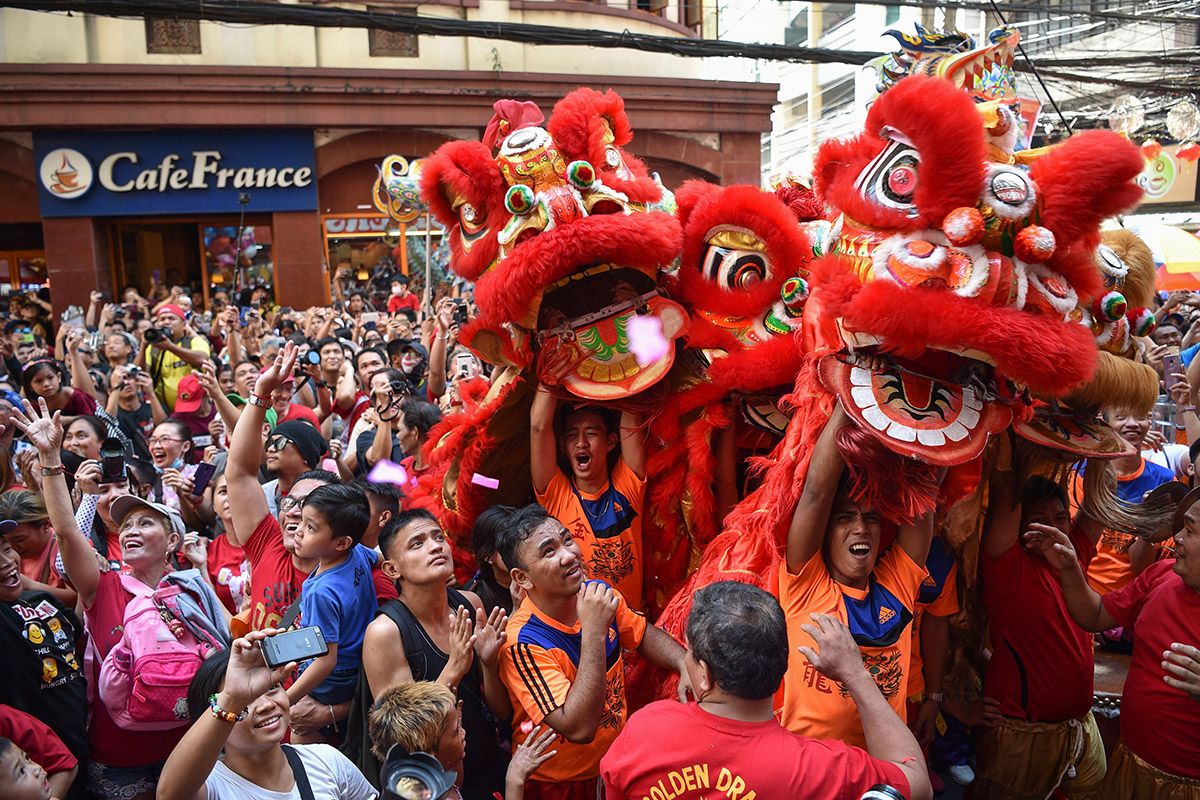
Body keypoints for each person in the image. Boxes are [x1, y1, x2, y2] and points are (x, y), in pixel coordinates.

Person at [13, 397, 228, 800]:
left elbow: (223, 657)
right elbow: (66, 533)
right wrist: (50, 460)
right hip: (118, 757)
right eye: (126, 523)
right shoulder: (102, 585)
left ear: (173, 543)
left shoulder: (193, 589)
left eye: (146, 522)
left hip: (189, 749)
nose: (131, 529)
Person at [600, 581, 931, 800]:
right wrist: (855, 674)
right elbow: (915, 781)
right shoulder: (816, 769)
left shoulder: (646, 728)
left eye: (688, 652)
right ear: (781, 667)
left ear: (704, 675)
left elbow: (608, 788)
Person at [496, 504, 689, 799]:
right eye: (549, 551)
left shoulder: (595, 591)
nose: (569, 555)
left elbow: (641, 633)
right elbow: (578, 728)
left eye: (567, 539)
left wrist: (683, 661)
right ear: (522, 578)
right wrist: (595, 631)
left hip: (614, 763)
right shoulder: (523, 642)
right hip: (560, 782)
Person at [1026, 486, 1200, 798]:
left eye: (1190, 530)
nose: (1179, 539)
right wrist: (1069, 567)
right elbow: (1094, 616)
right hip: (1130, 764)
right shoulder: (1161, 575)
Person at [779, 405, 936, 748]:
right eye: (844, 518)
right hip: (810, 772)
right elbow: (816, 493)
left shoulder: (898, 585)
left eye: (871, 518)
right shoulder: (805, 585)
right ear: (824, 531)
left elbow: (920, 496)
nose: (860, 528)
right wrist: (852, 393)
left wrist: (913, 406)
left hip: (879, 771)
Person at [971, 464, 1107, 800]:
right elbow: (1006, 497)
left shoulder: (1073, 554)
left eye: (1060, 518)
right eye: (1038, 519)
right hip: (1021, 733)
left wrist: (1099, 448)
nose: (1052, 527)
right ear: (1019, 525)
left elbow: (1101, 501)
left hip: (1080, 727)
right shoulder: (1007, 563)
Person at [362, 510, 511, 800]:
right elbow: (404, 742)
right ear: (392, 569)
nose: (435, 546)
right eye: (417, 543)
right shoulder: (385, 633)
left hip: (484, 763)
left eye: (438, 537)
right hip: (434, 786)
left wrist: (490, 664)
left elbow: (500, 711)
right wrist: (455, 666)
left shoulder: (469, 602)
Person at [157, 630, 376, 800]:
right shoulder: (212, 787)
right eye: (245, 701)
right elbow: (169, 794)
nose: (264, 706)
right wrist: (232, 696)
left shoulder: (326, 760)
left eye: (271, 688)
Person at [530, 387, 647, 610]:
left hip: (632, 633)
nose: (581, 442)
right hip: (579, 635)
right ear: (563, 446)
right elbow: (539, 427)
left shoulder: (628, 486)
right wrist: (549, 381)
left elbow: (632, 412)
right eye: (572, 435)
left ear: (611, 442)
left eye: (591, 433)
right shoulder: (556, 495)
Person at [286, 482, 378, 742]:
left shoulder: (321, 593)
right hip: (357, 664)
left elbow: (326, 660)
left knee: (299, 735)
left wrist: (285, 699)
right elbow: (379, 558)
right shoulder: (357, 553)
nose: (299, 531)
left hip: (334, 679)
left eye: (311, 527)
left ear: (341, 542)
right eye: (302, 521)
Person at [0, 534, 87, 768]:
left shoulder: (40, 599)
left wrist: (83, 579)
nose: (6, 561)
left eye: (7, 549)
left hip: (88, 743)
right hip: (42, 763)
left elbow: (78, 633)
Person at [1078, 409, 1174, 596]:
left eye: (1140, 417)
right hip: (1082, 595)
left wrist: (1150, 525)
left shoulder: (1165, 482)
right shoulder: (1081, 475)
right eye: (1121, 417)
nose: (1132, 424)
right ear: (1104, 423)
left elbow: (1143, 567)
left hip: (1132, 602)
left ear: (1149, 421)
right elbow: (1077, 547)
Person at [0, 490, 74, 607]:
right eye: (6, 546)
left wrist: (29, 586)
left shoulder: (66, 548)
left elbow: (79, 597)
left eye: (19, 540)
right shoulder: (7, 558)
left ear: (45, 524)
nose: (13, 548)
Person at [141, 304, 211, 410]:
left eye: (171, 318)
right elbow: (141, 374)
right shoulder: (153, 348)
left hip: (196, 408)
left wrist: (170, 347)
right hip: (165, 411)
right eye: (162, 319)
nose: (166, 322)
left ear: (183, 324)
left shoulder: (195, 341)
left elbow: (202, 360)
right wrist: (143, 346)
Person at [0, 709, 78, 800]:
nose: (37, 768)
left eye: (27, 758)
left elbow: (66, 764)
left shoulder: (5, 717)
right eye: (21, 771)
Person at [262, 420, 328, 516]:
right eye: (269, 443)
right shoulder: (261, 495)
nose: (271, 449)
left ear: (306, 455)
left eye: (280, 443)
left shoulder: (327, 499)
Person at [106, 365, 166, 463]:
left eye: (129, 377)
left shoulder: (153, 407)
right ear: (109, 391)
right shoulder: (114, 414)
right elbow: (107, 425)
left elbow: (165, 427)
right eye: (121, 380)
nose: (126, 383)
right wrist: (116, 387)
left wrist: (151, 393)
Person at [468, 505, 518, 615]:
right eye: (508, 546)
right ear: (487, 555)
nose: (519, 551)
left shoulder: (540, 576)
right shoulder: (475, 599)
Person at [21, 360, 96, 424]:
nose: (46, 384)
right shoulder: (34, 405)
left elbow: (91, 420)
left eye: (50, 378)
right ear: (30, 387)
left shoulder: (75, 396)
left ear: (59, 377)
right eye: (39, 381)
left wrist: (67, 420)